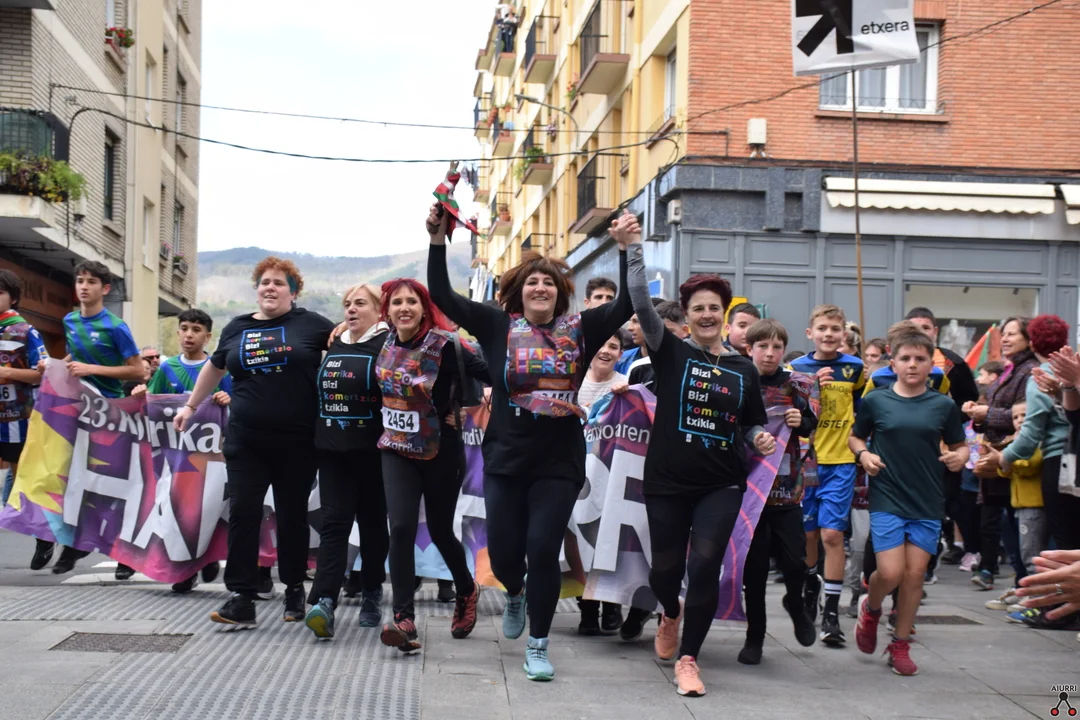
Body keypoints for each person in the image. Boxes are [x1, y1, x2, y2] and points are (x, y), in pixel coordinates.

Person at [427, 203, 633, 682]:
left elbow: (626, 304)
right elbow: (441, 294)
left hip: (559, 461)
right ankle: (515, 593)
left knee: (542, 549)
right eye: (532, 282)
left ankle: (538, 645)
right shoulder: (497, 325)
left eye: (549, 283)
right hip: (506, 458)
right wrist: (438, 239)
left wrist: (626, 250)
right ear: (518, 292)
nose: (540, 287)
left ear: (560, 293)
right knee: (504, 557)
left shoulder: (581, 329)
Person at [613, 212, 773, 697]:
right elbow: (639, 300)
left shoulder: (744, 368)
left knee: (704, 567)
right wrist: (633, 247)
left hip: (721, 484)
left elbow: (750, 421)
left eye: (714, 308)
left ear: (725, 314)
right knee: (665, 572)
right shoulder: (671, 351)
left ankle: (689, 659)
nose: (707, 314)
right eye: (698, 308)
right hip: (666, 481)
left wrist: (758, 438)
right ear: (686, 316)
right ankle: (670, 611)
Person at [174, 256, 337, 628]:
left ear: (293, 292)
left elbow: (345, 347)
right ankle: (242, 597)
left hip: (297, 441)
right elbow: (215, 366)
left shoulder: (312, 324)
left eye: (279, 283)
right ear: (256, 289)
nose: (270, 288)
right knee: (244, 513)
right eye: (265, 282)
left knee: (291, 516)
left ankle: (294, 589)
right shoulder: (237, 327)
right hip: (246, 440)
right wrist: (190, 406)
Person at [375, 277, 488, 654]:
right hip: (395, 448)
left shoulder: (446, 346)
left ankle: (466, 589)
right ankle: (404, 619)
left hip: (441, 450)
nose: (404, 308)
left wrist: (473, 409)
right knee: (400, 527)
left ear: (424, 308)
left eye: (412, 301)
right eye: (396, 302)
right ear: (387, 310)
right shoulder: (383, 342)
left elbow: (493, 376)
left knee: (440, 530)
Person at [851, 328, 968, 676]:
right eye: (906, 358)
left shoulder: (944, 405)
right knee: (891, 572)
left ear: (931, 364)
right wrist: (864, 455)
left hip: (928, 498)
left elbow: (960, 445)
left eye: (920, 359)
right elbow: (856, 437)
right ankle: (871, 608)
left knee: (915, 576)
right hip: (887, 494)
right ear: (893, 363)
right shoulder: (876, 400)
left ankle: (900, 644)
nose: (913, 364)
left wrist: (960, 457)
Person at [302, 283, 391, 637]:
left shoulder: (389, 344)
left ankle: (371, 592)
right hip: (333, 453)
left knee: (372, 528)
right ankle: (324, 601)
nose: (351, 309)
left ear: (379, 310)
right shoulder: (335, 342)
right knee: (334, 524)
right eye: (347, 304)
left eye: (360, 303)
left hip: (374, 454)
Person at [50, 261, 145, 575]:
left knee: (112, 484)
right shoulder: (70, 320)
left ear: (104, 289)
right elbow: (75, 358)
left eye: (91, 281)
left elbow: (137, 370)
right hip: (78, 410)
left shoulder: (116, 327)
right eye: (80, 280)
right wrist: (54, 365)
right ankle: (74, 544)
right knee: (75, 479)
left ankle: (125, 555)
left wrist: (92, 370)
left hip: (112, 412)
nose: (84, 286)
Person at [134, 308, 232, 592]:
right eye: (185, 328)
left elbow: (234, 404)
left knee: (207, 509)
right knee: (178, 511)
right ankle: (185, 571)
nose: (189, 335)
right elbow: (153, 406)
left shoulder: (219, 369)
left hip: (210, 457)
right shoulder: (167, 369)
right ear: (178, 333)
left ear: (208, 337)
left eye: (196, 330)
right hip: (176, 457)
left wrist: (226, 399)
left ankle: (206, 557)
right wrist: (140, 396)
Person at [739, 319, 817, 665]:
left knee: (795, 561)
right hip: (750, 491)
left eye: (776, 347)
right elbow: (732, 423)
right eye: (763, 347)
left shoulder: (797, 384)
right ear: (749, 349)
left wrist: (802, 421)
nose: (770, 354)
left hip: (787, 490)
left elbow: (813, 422)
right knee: (754, 570)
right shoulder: (740, 380)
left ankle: (795, 603)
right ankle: (754, 636)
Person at [789, 305, 865, 645]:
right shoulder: (797, 368)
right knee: (808, 536)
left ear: (844, 334)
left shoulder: (855, 368)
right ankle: (811, 589)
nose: (829, 334)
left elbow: (862, 412)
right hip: (807, 461)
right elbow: (791, 412)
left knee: (832, 535)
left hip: (841, 461)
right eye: (822, 328)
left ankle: (831, 614)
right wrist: (812, 388)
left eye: (835, 329)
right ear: (810, 333)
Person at [965, 317, 1037, 592]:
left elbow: (1025, 416)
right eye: (1003, 334)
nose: (1005, 339)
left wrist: (988, 414)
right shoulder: (1010, 369)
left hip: (1015, 459)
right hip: (995, 458)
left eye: (1012, 334)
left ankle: (1025, 586)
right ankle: (1018, 583)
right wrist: (978, 415)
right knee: (999, 523)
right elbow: (995, 412)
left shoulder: (1030, 370)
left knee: (1017, 527)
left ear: (1028, 339)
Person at [0, 270, 48, 568]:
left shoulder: (24, 331)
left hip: (17, 420)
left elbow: (43, 373)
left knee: (25, 485)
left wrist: (8, 373)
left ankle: (44, 537)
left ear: (13, 298)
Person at [626, 300, 686, 391]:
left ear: (685, 331)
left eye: (669, 332)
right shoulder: (638, 367)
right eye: (658, 332)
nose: (664, 338)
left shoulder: (696, 364)